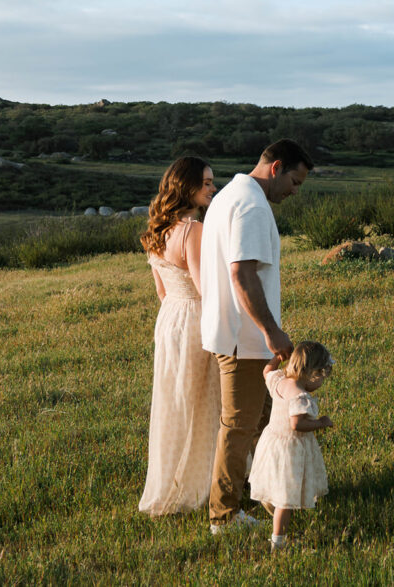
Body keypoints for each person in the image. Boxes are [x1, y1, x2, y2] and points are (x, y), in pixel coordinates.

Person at [199, 139, 314, 533]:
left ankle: (264, 493)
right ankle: (224, 516)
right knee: (239, 426)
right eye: (295, 182)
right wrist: (272, 330)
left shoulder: (230, 194)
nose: (294, 192)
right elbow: (242, 273)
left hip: (231, 331)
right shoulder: (250, 204)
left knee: (260, 422)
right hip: (244, 337)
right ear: (276, 167)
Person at [138, 156, 220, 516]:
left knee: (174, 402)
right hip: (195, 318)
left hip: (169, 318)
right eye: (206, 183)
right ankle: (202, 484)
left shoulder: (156, 231)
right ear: (186, 186)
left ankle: (173, 481)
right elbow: (205, 289)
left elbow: (161, 291)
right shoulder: (192, 230)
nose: (212, 188)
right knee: (205, 402)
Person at [249, 341, 334, 552]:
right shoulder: (300, 396)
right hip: (290, 450)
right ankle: (278, 542)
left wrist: (278, 358)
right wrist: (320, 423)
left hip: (272, 443)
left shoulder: (279, 380)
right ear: (313, 374)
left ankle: (277, 517)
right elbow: (297, 424)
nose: (322, 383)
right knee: (285, 500)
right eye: (322, 378)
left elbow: (267, 370)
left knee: (279, 488)